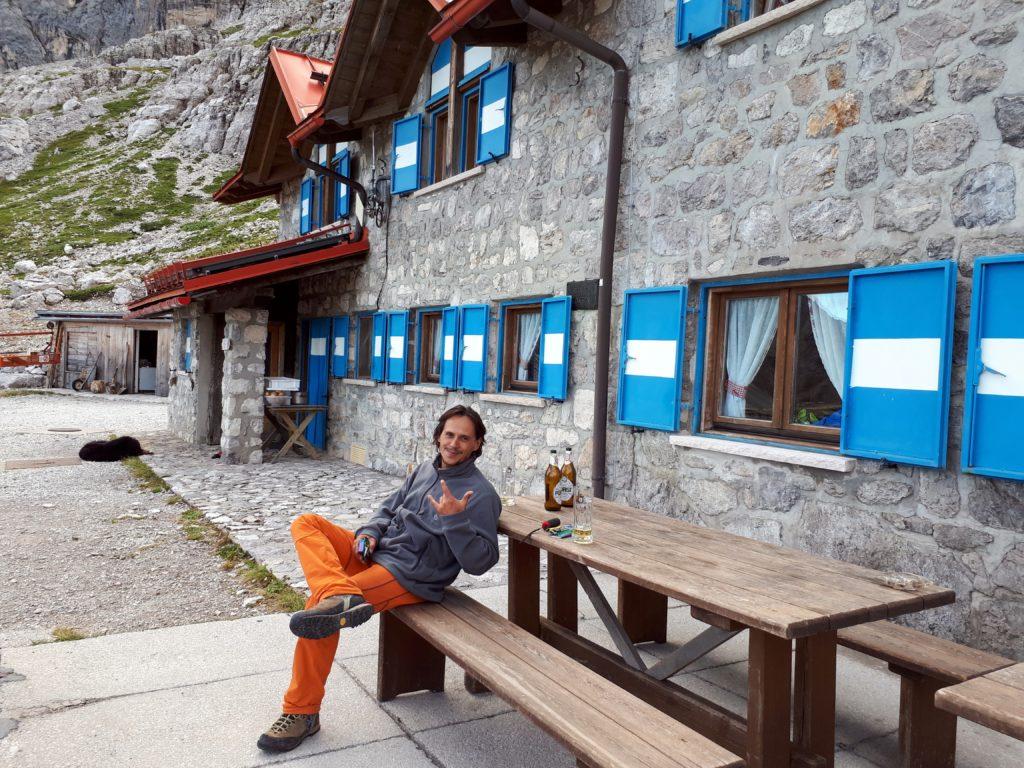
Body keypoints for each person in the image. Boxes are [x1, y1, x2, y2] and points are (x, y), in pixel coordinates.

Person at [257, 404, 501, 752]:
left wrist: (454, 521)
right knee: (307, 523)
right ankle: (339, 591)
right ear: (438, 436)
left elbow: (482, 562)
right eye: (449, 435)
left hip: (409, 576)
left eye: (465, 438)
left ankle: (302, 712)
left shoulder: (480, 494)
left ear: (477, 444)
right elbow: (389, 508)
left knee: (321, 611)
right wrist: (369, 533)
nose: (454, 443)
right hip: (377, 553)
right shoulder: (424, 471)